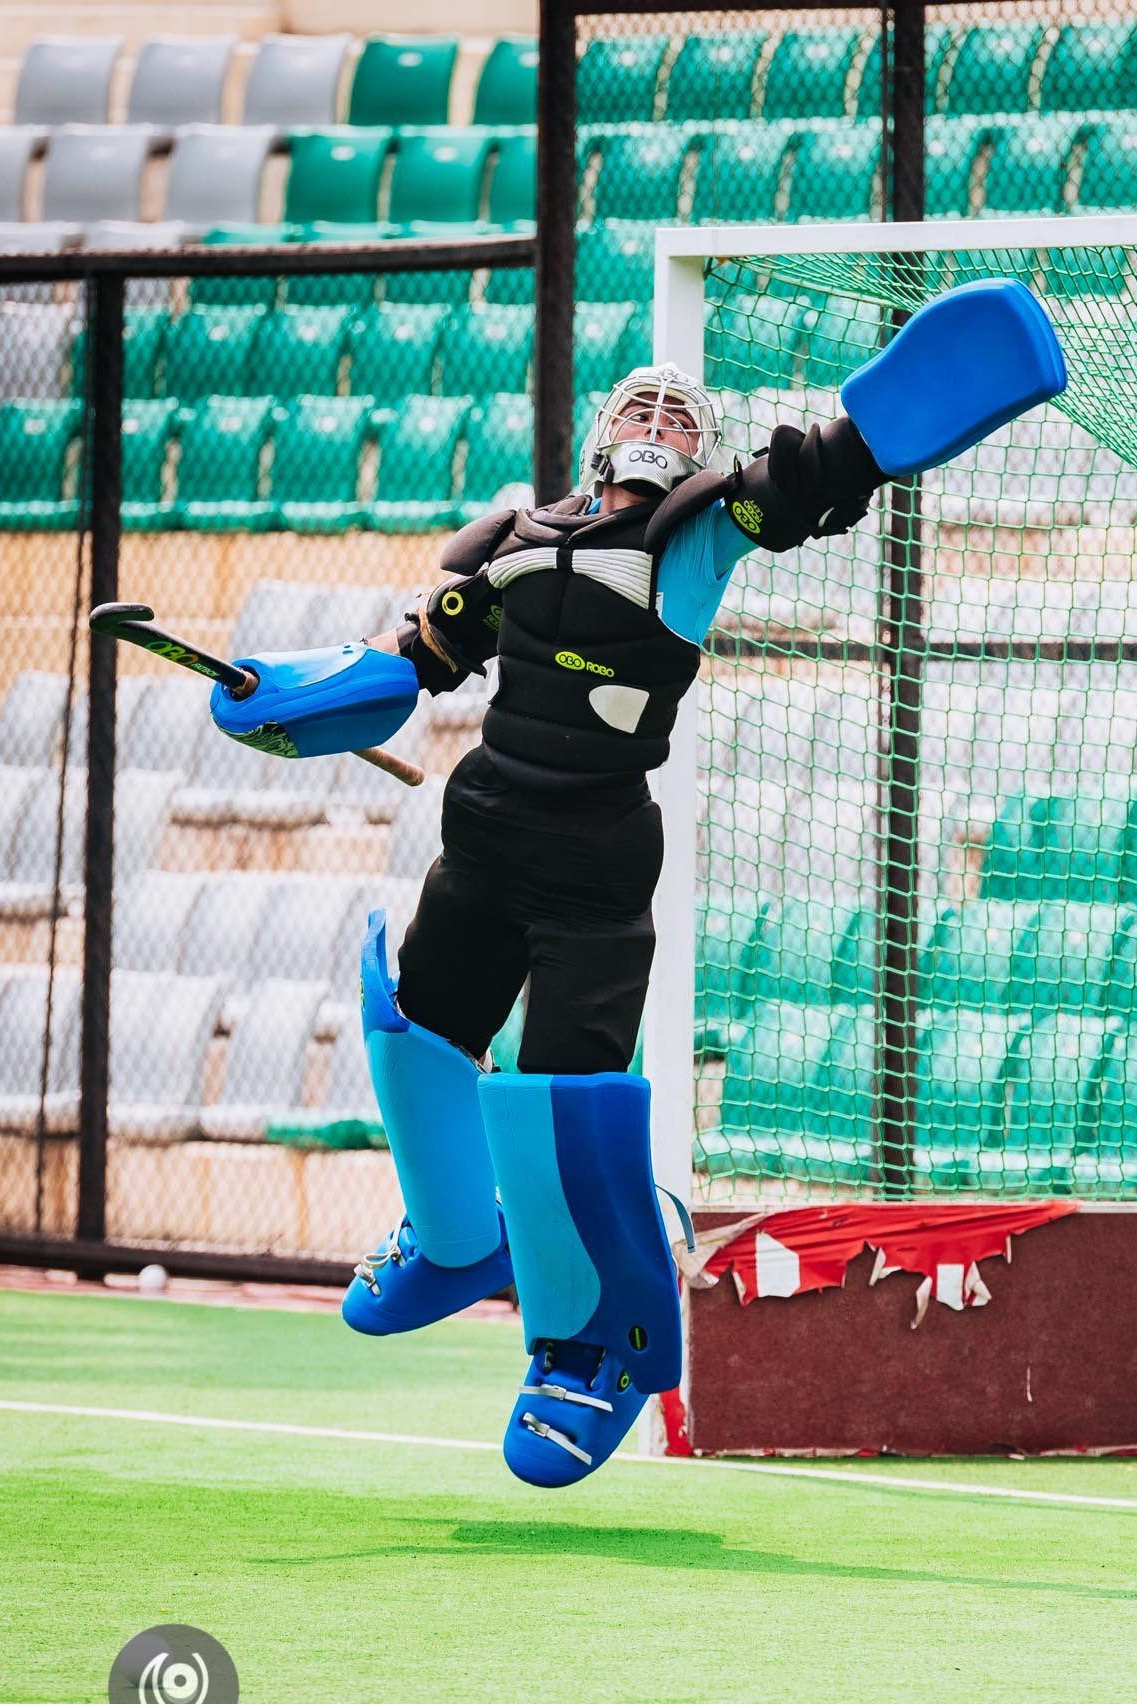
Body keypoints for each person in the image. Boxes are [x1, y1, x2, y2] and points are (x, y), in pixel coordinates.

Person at [207, 283, 1066, 1487]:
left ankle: (586, 1346)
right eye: (640, 408)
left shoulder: (702, 533)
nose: (658, 420)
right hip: (487, 827)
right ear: (597, 432)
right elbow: (408, 664)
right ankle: (456, 1240)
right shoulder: (509, 540)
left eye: (678, 416)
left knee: (558, 1101)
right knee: (418, 1031)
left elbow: (825, 469)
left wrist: (896, 413)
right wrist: (287, 697)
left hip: (596, 855)